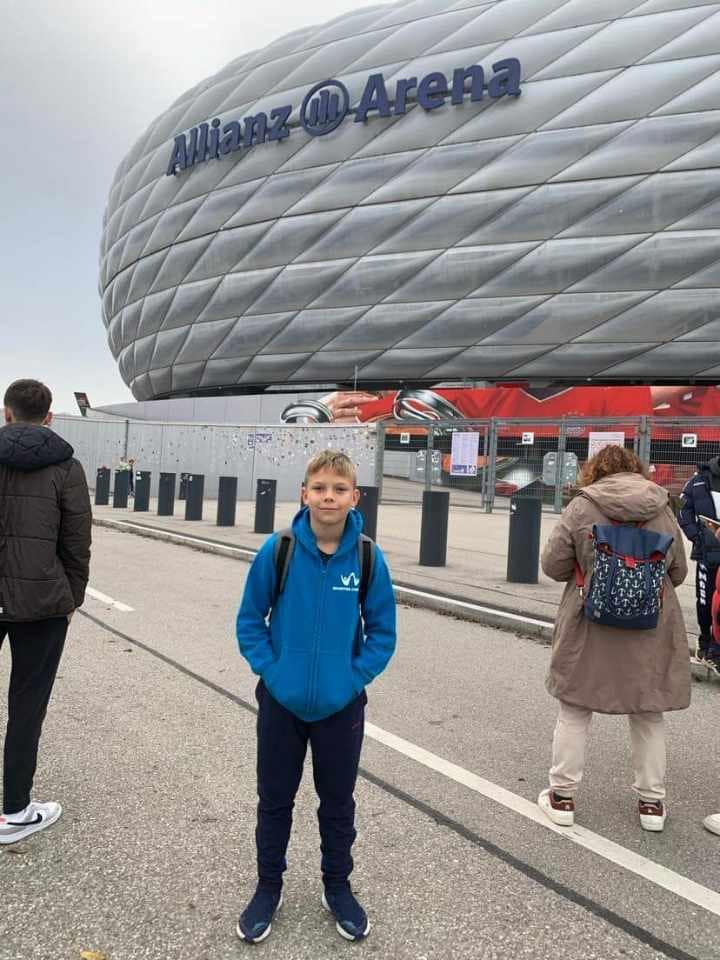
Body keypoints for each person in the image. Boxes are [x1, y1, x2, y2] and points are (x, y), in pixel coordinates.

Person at [236, 450, 396, 943]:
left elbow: (382, 632)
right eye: (320, 488)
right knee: (274, 800)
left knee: (338, 802)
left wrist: (352, 679)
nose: (329, 497)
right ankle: (268, 886)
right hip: (281, 704)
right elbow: (250, 619)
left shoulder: (367, 557)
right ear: (304, 493)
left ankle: (337, 886)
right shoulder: (279, 549)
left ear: (355, 497)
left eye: (339, 489)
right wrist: (272, 671)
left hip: (340, 707)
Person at [538, 445, 689, 833]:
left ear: (595, 471)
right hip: (651, 626)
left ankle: (562, 798)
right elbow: (678, 572)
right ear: (636, 470)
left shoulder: (583, 506)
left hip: (590, 623)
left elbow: (553, 565)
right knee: (648, 711)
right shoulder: (661, 507)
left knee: (575, 707)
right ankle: (651, 804)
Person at [0, 379, 91, 845]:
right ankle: (15, 810)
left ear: (7, 413)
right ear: (50, 417)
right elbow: (77, 539)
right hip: (42, 603)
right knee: (27, 705)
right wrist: (72, 597)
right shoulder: (66, 466)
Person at [678, 457, 720, 672]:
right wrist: (697, 536)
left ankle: (715, 647)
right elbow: (683, 510)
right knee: (706, 600)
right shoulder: (699, 481)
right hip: (707, 553)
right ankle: (705, 642)